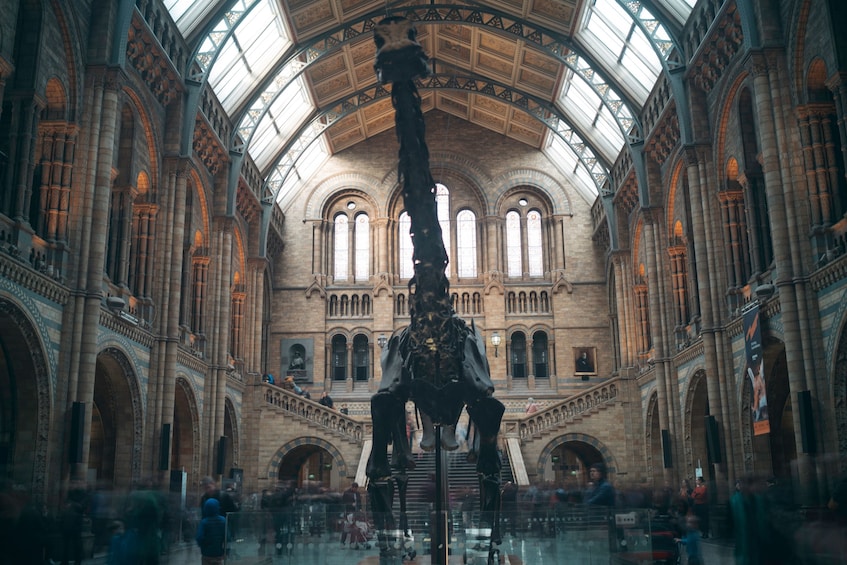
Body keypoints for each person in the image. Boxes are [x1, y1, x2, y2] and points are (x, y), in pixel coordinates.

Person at [196, 498, 227, 565]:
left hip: (206, 554)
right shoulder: (223, 521)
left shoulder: (204, 522)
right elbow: (228, 537)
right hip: (219, 554)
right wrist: (226, 551)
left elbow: (199, 537)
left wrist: (203, 546)